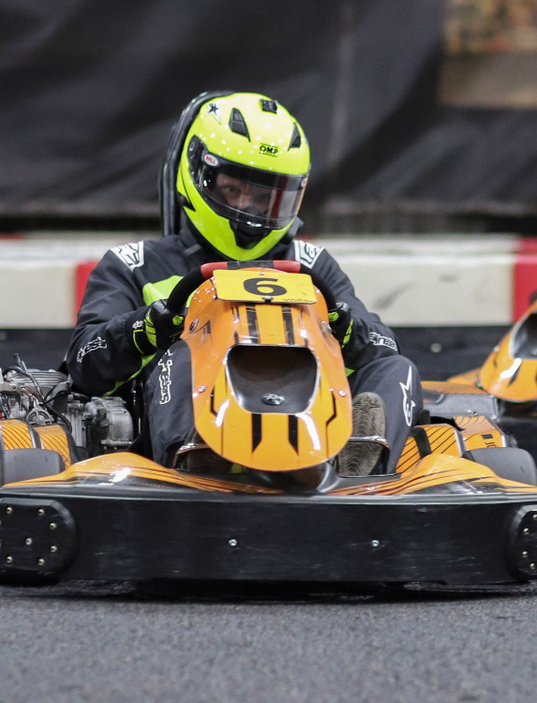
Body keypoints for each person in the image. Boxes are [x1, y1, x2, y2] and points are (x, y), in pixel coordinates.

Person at [67, 91, 419, 476]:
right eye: (233, 189)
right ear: (201, 175)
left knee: (397, 369)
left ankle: (357, 471)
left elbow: (384, 347)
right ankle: (201, 450)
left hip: (309, 422)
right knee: (187, 352)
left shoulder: (311, 264)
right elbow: (83, 364)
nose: (248, 209)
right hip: (171, 446)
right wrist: (144, 329)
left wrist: (349, 330)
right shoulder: (135, 265)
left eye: (265, 197)